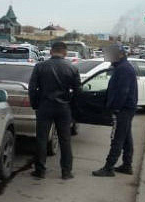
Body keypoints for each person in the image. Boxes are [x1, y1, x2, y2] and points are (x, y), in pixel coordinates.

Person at [28, 41, 82, 179]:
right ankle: (66, 171)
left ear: (51, 52)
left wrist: (35, 104)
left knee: (41, 139)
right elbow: (78, 91)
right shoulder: (72, 68)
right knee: (65, 140)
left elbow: (32, 88)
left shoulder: (40, 67)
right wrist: (73, 107)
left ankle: (40, 170)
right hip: (63, 107)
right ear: (65, 53)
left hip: (44, 106)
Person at [92, 44, 138, 177]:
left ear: (120, 54)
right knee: (126, 138)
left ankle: (108, 167)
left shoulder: (123, 69)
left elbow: (122, 92)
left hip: (123, 109)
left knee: (117, 138)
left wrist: (116, 108)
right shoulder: (122, 67)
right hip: (127, 108)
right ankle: (127, 165)